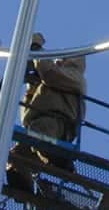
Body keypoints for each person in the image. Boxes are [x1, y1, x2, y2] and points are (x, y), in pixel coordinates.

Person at [6, 32, 87, 194]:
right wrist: (33, 86)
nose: (59, 60)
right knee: (16, 156)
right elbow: (28, 110)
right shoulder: (51, 83)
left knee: (39, 136)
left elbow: (50, 74)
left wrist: (36, 48)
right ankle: (25, 190)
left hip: (56, 123)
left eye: (63, 58)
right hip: (38, 124)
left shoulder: (74, 76)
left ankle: (60, 161)